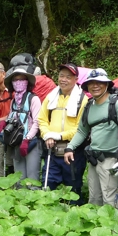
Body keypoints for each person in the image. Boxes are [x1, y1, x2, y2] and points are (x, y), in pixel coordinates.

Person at [63, 68, 118, 210]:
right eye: (91, 83)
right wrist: (70, 147)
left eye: (99, 82)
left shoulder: (117, 104)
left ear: (107, 84)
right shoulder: (89, 106)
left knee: (110, 201)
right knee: (94, 199)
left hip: (111, 159)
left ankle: (116, 230)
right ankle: (97, 229)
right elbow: (82, 131)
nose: (95, 86)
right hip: (94, 160)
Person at [38, 63, 88, 203]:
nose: (63, 80)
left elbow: (81, 128)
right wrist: (47, 135)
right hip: (51, 150)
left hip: (73, 151)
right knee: (47, 185)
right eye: (61, 76)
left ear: (76, 79)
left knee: (73, 188)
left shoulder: (82, 99)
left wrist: (59, 136)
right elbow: (42, 119)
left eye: (68, 77)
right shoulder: (51, 96)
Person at [4, 66, 42, 182]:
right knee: (19, 178)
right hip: (16, 142)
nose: (18, 82)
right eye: (15, 80)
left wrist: (27, 139)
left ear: (27, 82)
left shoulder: (33, 99)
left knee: (32, 177)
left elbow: (37, 121)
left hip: (31, 142)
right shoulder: (13, 101)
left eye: (22, 79)